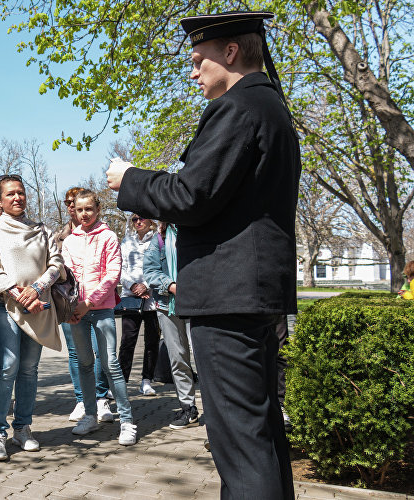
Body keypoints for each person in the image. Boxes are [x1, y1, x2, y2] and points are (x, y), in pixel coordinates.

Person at [106, 11, 299, 498]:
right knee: (261, 433)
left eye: (198, 60)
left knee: (239, 442)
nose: (193, 72)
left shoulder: (239, 108)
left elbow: (192, 195)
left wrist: (130, 179)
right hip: (253, 294)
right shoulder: (271, 106)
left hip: (229, 296)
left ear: (230, 52)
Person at [0, 174, 65, 461]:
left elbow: (56, 263)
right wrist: (18, 293)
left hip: (37, 306)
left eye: (21, 193)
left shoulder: (42, 230)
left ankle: (23, 428)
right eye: (10, 194)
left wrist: (37, 289)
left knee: (29, 368)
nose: (17, 198)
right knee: (8, 365)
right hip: (2, 306)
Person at [61, 189, 137, 446]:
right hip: (75, 313)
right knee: (83, 362)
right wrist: (72, 306)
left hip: (101, 309)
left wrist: (89, 302)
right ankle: (90, 415)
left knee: (110, 364)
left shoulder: (108, 236)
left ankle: (127, 421)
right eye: (80, 209)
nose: (84, 214)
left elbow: (113, 273)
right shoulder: (69, 241)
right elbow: (67, 277)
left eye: (89, 209)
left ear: (98, 209)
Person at [59, 187, 111, 423]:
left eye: (78, 203)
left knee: (100, 352)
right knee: (76, 353)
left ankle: (101, 398)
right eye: (69, 203)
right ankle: (82, 400)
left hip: (97, 304)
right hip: (71, 304)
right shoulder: (61, 237)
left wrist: (90, 301)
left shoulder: (105, 234)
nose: (73, 207)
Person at [143, 222, 200, 429]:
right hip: (168, 305)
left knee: (204, 359)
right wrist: (172, 286)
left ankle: (217, 411)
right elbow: (149, 271)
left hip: (201, 303)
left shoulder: (199, 229)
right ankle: (188, 409)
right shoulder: (160, 238)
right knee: (178, 359)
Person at [118, 214, 161, 396]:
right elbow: (120, 268)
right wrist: (133, 286)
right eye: (134, 219)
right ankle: (121, 382)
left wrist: (147, 285)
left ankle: (146, 380)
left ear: (151, 220)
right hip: (131, 298)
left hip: (153, 298)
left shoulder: (158, 241)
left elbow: (160, 267)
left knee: (152, 341)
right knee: (128, 341)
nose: (138, 222)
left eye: (142, 218)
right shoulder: (126, 242)